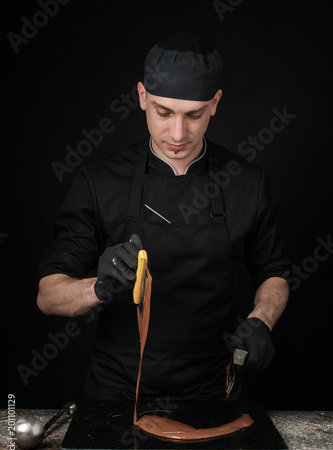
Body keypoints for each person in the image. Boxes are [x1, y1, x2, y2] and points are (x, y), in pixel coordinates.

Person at [37, 31, 291, 402]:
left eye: (194, 115)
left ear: (215, 103)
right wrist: (99, 286)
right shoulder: (99, 181)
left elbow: (275, 273)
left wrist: (261, 320)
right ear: (142, 97)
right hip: (119, 388)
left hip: (214, 387)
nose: (177, 133)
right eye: (163, 112)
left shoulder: (248, 183)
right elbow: (47, 296)